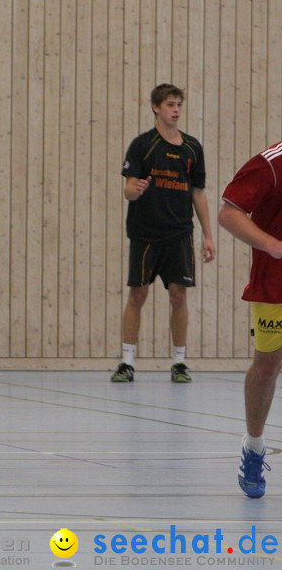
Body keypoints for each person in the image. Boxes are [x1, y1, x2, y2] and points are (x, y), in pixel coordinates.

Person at [111, 83, 216, 384]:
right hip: (145, 233)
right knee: (138, 294)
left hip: (179, 233)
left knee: (178, 296)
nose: (176, 110)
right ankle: (127, 361)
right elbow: (129, 189)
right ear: (156, 107)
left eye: (179, 105)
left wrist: (208, 235)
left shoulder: (192, 148)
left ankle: (180, 362)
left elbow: (198, 194)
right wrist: (136, 189)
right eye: (170, 104)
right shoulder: (143, 145)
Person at [218, 140, 282, 498]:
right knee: (267, 366)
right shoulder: (273, 162)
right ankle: (254, 447)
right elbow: (229, 213)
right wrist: (272, 245)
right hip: (275, 285)